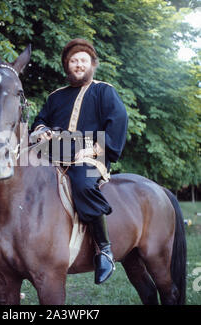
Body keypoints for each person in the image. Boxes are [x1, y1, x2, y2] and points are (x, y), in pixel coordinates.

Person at [30, 38, 128, 284]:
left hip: (90, 156)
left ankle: (104, 250)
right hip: (54, 154)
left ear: (92, 64)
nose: (78, 64)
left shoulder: (104, 90)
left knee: (82, 183)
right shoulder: (55, 96)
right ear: (67, 66)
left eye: (83, 60)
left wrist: (95, 150)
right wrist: (42, 131)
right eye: (73, 61)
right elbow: (39, 120)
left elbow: (118, 120)